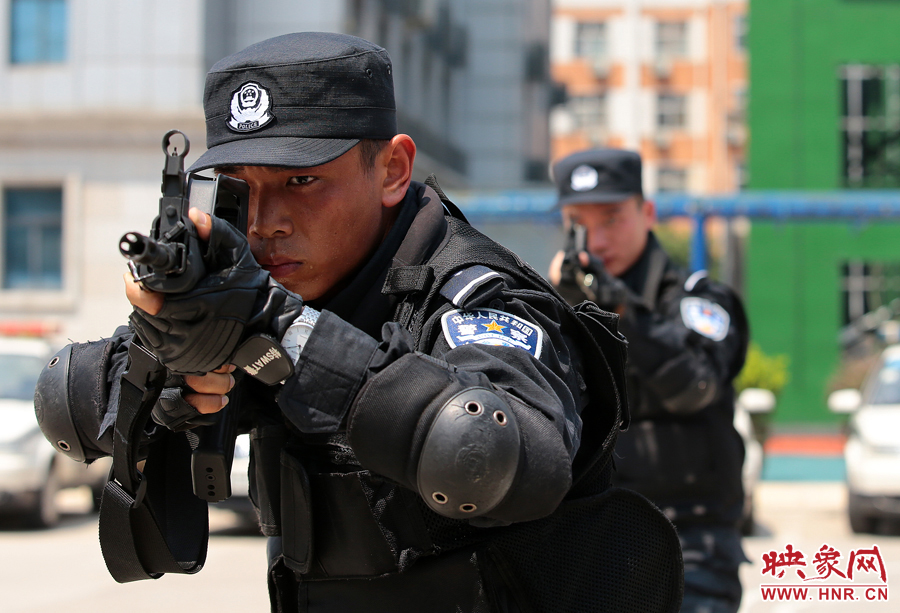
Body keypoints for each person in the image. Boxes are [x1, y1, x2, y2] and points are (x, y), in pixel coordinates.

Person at [34, 34, 682, 613]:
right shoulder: (269, 291)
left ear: (393, 170)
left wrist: (287, 337)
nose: (264, 222)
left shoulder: (476, 296)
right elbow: (65, 402)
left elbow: (495, 456)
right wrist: (162, 366)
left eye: (301, 180)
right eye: (239, 188)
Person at [549, 148, 750, 613]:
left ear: (648, 213)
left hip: (689, 539)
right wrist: (554, 305)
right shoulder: (559, 309)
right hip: (589, 538)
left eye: (612, 219)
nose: (597, 240)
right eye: (579, 223)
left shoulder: (697, 299)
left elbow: (695, 385)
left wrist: (620, 311)